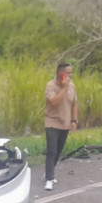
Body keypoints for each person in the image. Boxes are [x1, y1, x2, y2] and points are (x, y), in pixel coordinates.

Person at [43, 62, 78, 191]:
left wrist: (74, 120)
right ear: (61, 74)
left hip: (65, 122)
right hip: (52, 122)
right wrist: (64, 88)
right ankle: (49, 179)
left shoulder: (72, 86)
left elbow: (74, 103)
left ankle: (49, 171)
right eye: (68, 73)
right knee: (51, 150)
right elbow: (53, 102)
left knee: (58, 150)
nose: (71, 75)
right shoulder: (50, 86)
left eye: (71, 73)